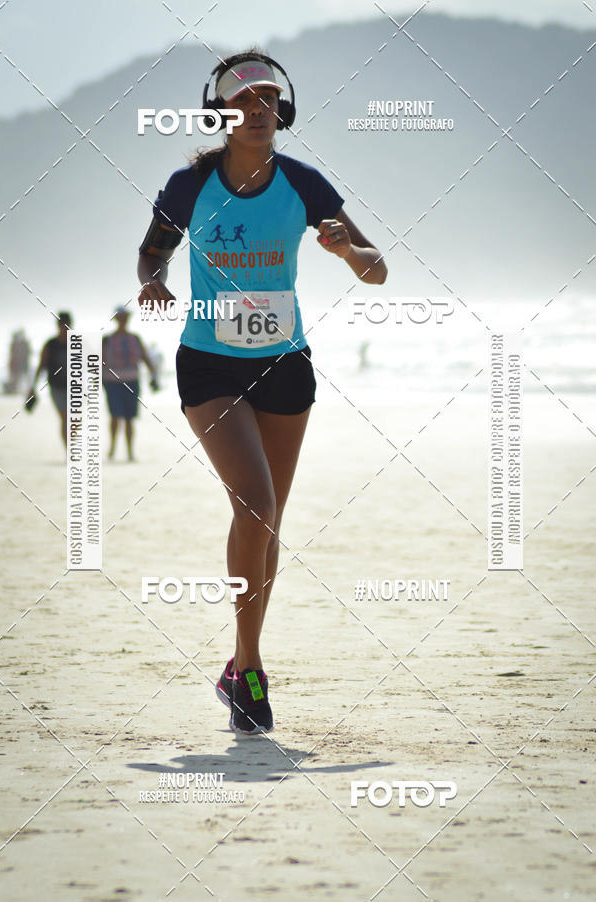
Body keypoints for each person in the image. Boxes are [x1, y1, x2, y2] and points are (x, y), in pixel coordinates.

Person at [137, 49, 387, 735]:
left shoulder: (303, 183)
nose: (257, 110)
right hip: (209, 364)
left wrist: (346, 251)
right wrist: (154, 280)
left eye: (268, 100)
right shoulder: (189, 185)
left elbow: (377, 269)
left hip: (284, 364)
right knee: (256, 502)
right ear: (219, 113)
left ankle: (241, 662)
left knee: (267, 521)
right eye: (243, 101)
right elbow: (153, 249)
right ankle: (248, 667)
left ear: (284, 109)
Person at [102, 308, 159, 461]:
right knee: (115, 415)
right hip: (112, 382)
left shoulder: (135, 338)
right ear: (116, 319)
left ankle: (129, 452)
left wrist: (154, 375)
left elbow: (145, 357)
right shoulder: (107, 340)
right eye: (121, 317)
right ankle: (112, 448)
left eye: (125, 317)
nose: (123, 320)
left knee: (129, 417)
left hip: (132, 381)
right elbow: (99, 361)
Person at [27, 312, 73, 446]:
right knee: (65, 417)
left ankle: (72, 444)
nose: (65, 327)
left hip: (76, 387)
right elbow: (42, 365)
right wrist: (33, 386)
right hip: (57, 387)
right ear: (58, 325)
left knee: (75, 419)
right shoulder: (51, 344)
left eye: (67, 324)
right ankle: (69, 449)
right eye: (62, 324)